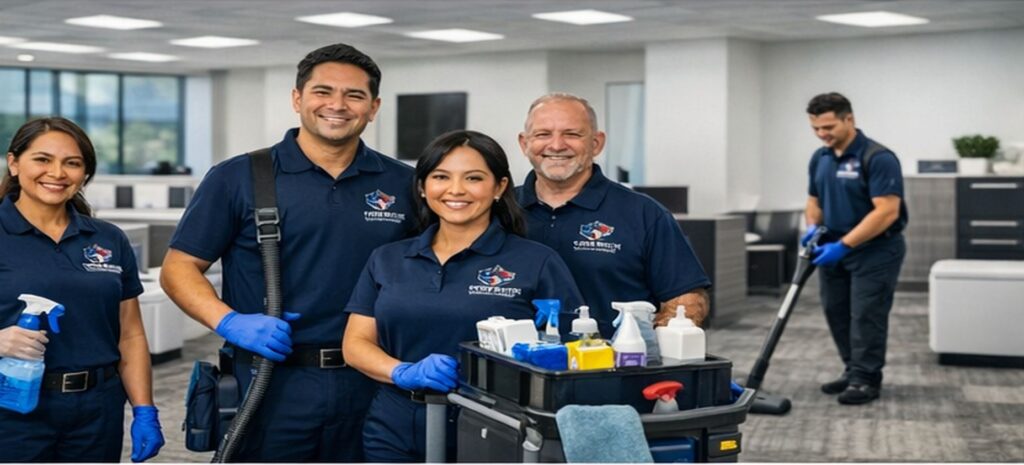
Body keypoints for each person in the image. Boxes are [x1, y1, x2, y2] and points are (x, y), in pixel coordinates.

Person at [161, 43, 416, 461]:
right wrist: (229, 322)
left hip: (374, 379)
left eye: (354, 95)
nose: (337, 105)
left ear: (374, 107)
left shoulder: (405, 184)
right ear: (298, 99)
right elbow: (179, 268)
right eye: (323, 91)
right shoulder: (239, 177)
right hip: (271, 379)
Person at [343, 130, 583, 462]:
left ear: (499, 187)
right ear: (422, 188)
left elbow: (572, 351)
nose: (456, 190)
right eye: (441, 177)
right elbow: (355, 344)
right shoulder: (387, 258)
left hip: (494, 423)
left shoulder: (536, 262)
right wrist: (403, 371)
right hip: (394, 425)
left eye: (473, 178)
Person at [0, 117, 164, 462]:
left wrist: (144, 409)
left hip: (97, 410)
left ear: (85, 173)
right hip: (12, 408)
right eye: (42, 159)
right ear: (14, 163)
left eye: (72, 163)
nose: (57, 173)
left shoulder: (108, 239)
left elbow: (130, 335)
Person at [516, 93, 711, 337]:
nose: (556, 145)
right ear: (524, 143)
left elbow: (686, 297)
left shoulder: (644, 214)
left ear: (596, 143)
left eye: (572, 134)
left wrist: (655, 347)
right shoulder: (498, 210)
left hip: (611, 367)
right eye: (543, 134)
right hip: (509, 366)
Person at [802, 92, 908, 405]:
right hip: (833, 248)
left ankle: (866, 378)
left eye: (829, 127)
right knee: (836, 312)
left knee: (866, 315)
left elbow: (886, 211)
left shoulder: (878, 157)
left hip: (875, 250)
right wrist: (810, 228)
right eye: (816, 128)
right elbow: (813, 201)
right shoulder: (819, 158)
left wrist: (844, 245)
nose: (822, 134)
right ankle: (852, 369)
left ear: (850, 119)